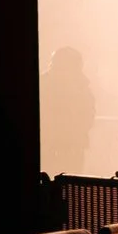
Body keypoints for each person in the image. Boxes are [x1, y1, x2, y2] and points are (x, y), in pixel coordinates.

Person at [40, 44, 95, 177]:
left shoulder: (81, 86)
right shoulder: (46, 84)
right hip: (56, 147)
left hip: (69, 147)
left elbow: (88, 114)